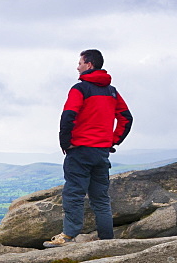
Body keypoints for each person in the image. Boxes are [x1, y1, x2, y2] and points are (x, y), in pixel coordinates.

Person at [43, 49, 133, 248]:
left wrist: (65, 143)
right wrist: (112, 141)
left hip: (80, 150)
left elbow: (68, 115)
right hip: (101, 152)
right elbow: (127, 119)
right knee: (100, 197)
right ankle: (107, 239)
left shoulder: (80, 89)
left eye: (80, 63)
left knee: (74, 194)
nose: (78, 66)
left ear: (89, 65)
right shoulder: (112, 92)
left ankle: (68, 236)